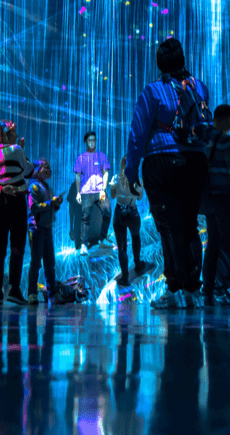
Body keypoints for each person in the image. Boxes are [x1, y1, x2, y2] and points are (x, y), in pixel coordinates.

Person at [124, 37, 211, 309]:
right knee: (189, 226)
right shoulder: (199, 87)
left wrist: (131, 169)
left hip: (161, 162)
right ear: (183, 59)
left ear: (159, 62)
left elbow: (138, 133)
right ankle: (193, 288)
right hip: (195, 161)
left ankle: (175, 289)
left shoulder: (153, 91)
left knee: (168, 226)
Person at [0, 119, 35, 306]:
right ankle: (14, 290)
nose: (15, 136)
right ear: (6, 134)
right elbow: (28, 171)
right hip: (16, 201)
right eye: (13, 133)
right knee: (17, 247)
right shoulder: (16, 150)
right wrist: (22, 150)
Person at [201, 105, 230, 306]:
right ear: (225, 119)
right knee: (229, 243)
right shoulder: (226, 140)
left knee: (212, 245)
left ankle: (208, 289)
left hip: (209, 198)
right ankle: (221, 290)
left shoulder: (205, 138)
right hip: (225, 197)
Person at [26, 159, 63, 304]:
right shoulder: (34, 187)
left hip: (47, 228)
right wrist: (50, 203)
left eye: (49, 167)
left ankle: (52, 292)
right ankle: (32, 294)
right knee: (36, 263)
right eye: (45, 167)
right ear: (38, 169)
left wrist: (56, 205)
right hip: (36, 229)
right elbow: (33, 207)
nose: (49, 170)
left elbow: (50, 209)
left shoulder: (47, 187)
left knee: (50, 262)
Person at [109, 157, 149, 287]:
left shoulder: (116, 178)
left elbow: (113, 195)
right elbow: (140, 197)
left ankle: (125, 277)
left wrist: (116, 188)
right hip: (132, 213)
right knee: (135, 237)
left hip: (119, 213)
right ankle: (137, 264)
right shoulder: (137, 180)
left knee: (121, 246)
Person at [73, 131, 113, 255]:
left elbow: (106, 172)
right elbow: (78, 176)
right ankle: (84, 245)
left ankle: (102, 238)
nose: (92, 142)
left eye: (94, 140)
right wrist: (78, 192)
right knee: (85, 218)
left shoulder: (101, 156)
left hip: (100, 191)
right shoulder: (80, 157)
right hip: (86, 192)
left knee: (107, 211)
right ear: (85, 141)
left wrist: (103, 189)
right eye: (90, 140)